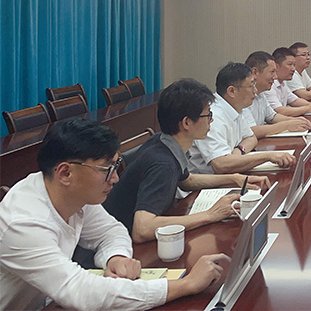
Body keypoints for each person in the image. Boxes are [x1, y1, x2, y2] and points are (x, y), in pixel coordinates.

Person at [0, 118, 228, 311]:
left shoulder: (72, 194)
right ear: (65, 173)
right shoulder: (23, 223)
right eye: (107, 169)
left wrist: (115, 257)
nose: (116, 178)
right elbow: (80, 291)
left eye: (116, 166)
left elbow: (111, 231)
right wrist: (186, 285)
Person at [103, 78, 270, 243]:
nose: (211, 120)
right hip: (121, 245)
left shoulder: (163, 142)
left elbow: (186, 180)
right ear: (187, 123)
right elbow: (142, 229)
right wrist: (210, 214)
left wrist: (235, 179)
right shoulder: (162, 164)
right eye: (208, 115)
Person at [187, 62, 296, 174]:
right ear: (232, 91)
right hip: (210, 181)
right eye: (251, 86)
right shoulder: (213, 117)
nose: (255, 90)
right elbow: (220, 165)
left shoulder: (235, 107)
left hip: (231, 174)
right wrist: (267, 156)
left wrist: (239, 150)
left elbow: (251, 138)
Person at [243, 51, 311, 138]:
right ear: (254, 72)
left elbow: (272, 117)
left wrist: (295, 120)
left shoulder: (261, 94)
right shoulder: (242, 96)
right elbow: (251, 131)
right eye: (272, 72)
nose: (275, 77)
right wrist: (286, 125)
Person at [265, 47, 311, 117]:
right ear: (276, 66)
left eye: (294, 65)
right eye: (290, 64)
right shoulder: (269, 85)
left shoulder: (283, 83)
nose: (293, 69)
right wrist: (309, 108)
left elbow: (295, 101)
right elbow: (280, 111)